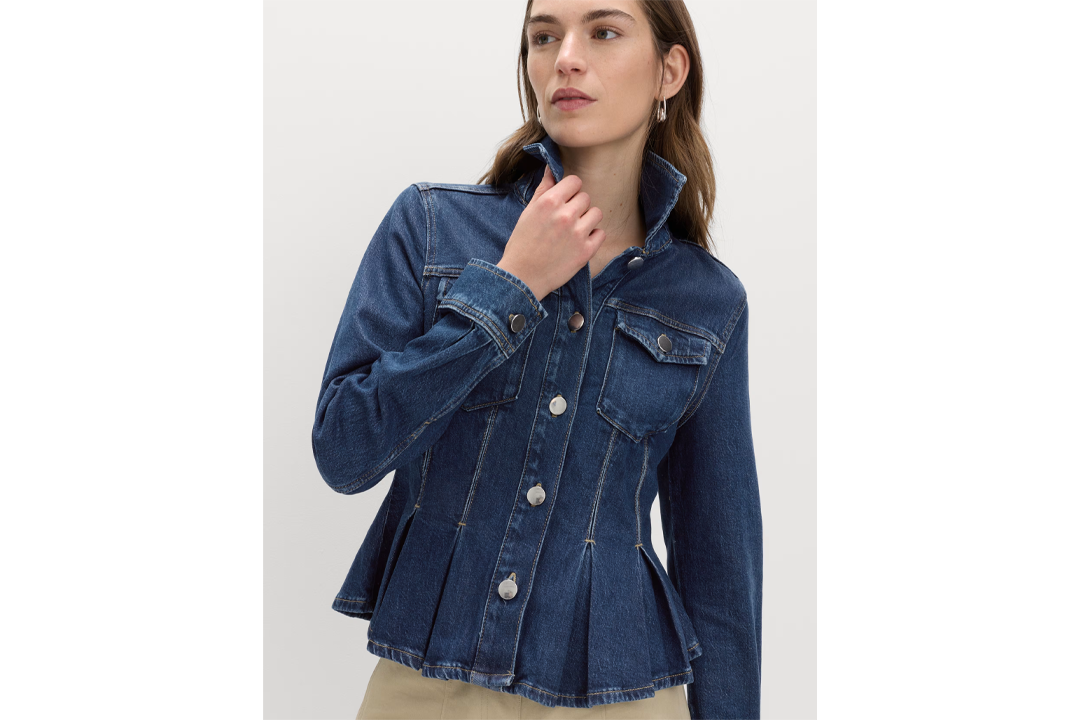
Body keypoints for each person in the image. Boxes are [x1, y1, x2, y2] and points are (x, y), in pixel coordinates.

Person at [311, 1, 763, 718]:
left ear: (669, 71)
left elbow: (719, 569)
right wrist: (509, 289)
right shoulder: (431, 228)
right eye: (544, 36)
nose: (566, 58)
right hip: (428, 689)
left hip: (624, 697)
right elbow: (345, 450)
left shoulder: (707, 301)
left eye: (604, 32)